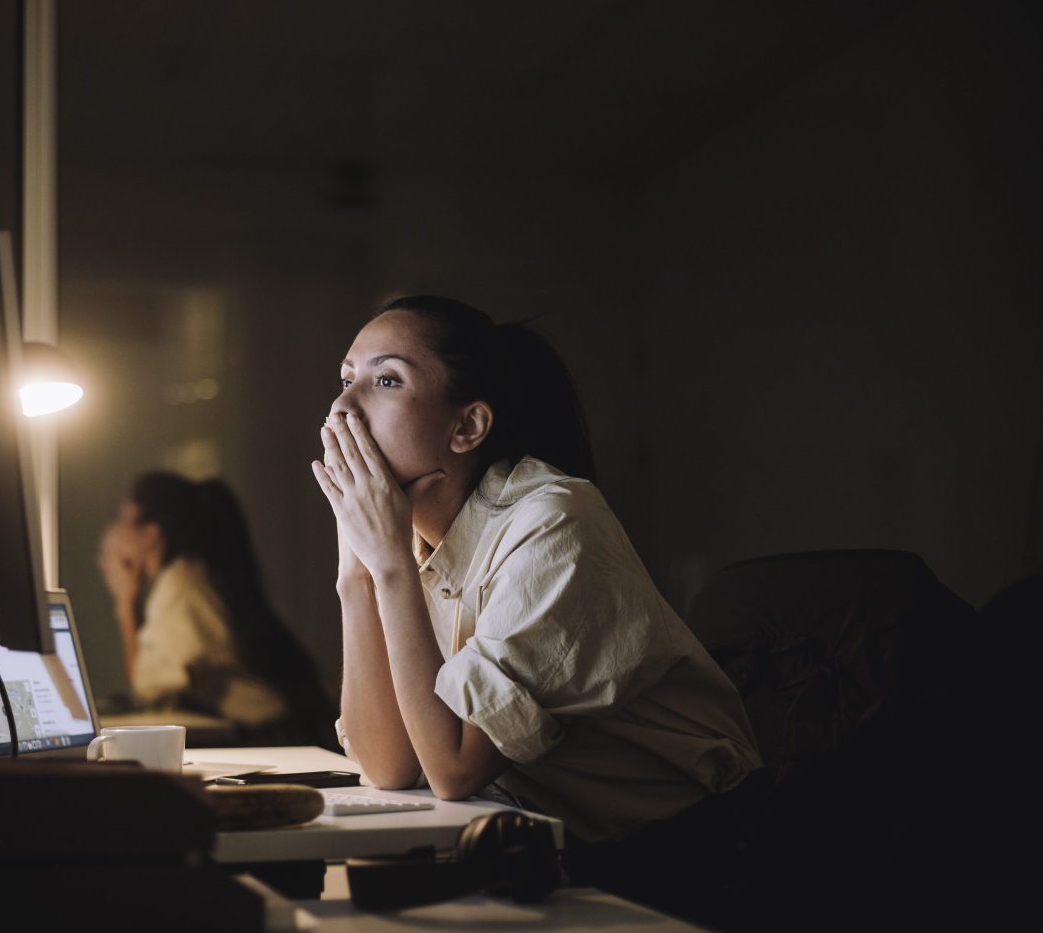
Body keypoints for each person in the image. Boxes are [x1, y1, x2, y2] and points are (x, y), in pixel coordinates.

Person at [311, 296, 762, 896]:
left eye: (386, 380)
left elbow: (453, 769)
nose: (344, 408)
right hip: (559, 849)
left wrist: (388, 566)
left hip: (689, 857)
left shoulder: (553, 521)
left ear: (467, 426)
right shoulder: (414, 542)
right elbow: (389, 767)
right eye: (346, 379)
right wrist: (358, 572)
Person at [99, 471, 335, 745]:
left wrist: (126, 603)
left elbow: (148, 686)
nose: (112, 532)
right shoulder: (194, 575)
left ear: (151, 533)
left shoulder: (180, 584)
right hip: (281, 730)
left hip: (275, 736)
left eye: (122, 518)